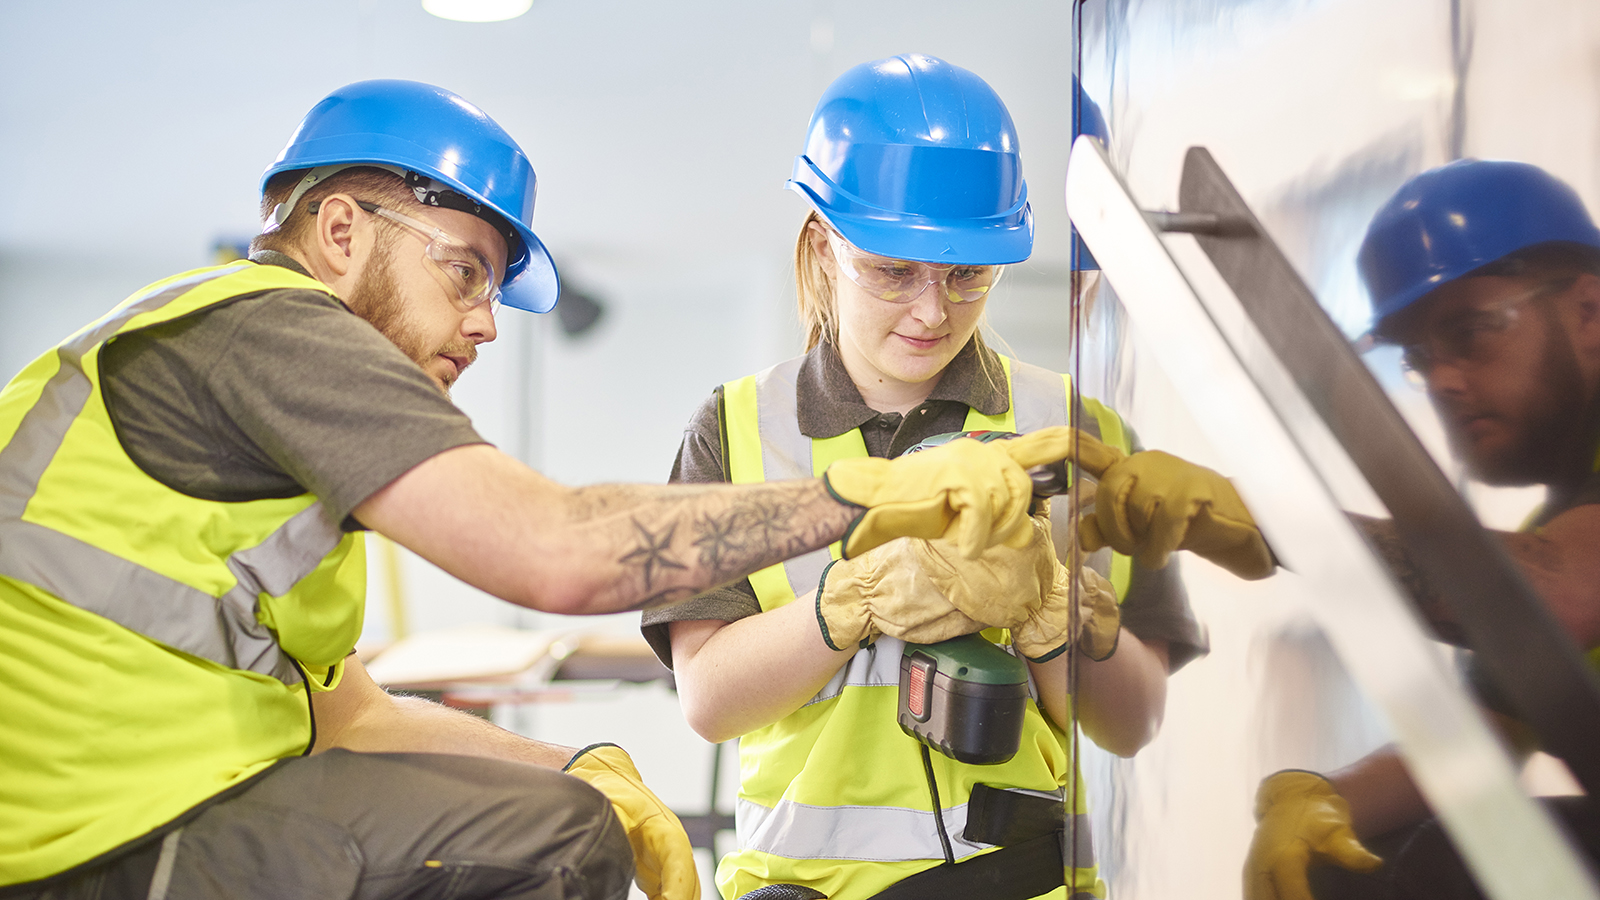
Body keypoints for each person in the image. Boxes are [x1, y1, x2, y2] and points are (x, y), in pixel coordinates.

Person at [0, 79, 1074, 900]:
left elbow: (344, 712)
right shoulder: (272, 329)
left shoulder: (241, 399)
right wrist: (874, 497)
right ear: (339, 233)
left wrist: (584, 758)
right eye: (464, 269)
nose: (483, 321)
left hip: (117, 820)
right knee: (555, 841)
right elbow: (560, 550)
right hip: (94, 840)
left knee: (562, 802)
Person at [641, 55, 1273, 900]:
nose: (933, 311)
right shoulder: (733, 430)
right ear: (824, 245)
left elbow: (1135, 720)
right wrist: (852, 600)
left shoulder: (1074, 426)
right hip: (806, 886)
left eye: (968, 273)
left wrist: (1055, 617)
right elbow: (710, 700)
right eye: (894, 271)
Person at [1242, 159, 1600, 900]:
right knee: (1358, 861)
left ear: (1590, 311)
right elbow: (1471, 750)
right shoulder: (1561, 525)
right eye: (1418, 358)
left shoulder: (1558, 558)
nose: (1440, 381)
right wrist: (1324, 798)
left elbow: (1554, 602)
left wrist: (1257, 522)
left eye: (1470, 332)